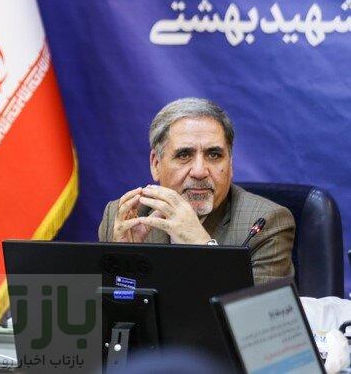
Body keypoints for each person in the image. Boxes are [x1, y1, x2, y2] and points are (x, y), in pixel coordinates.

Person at [98, 97, 295, 283]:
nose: (200, 172)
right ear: (156, 164)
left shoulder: (266, 224)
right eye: (184, 155)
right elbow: (96, 304)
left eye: (214, 155)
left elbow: (258, 307)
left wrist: (201, 245)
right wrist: (123, 264)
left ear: (230, 165)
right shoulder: (125, 217)